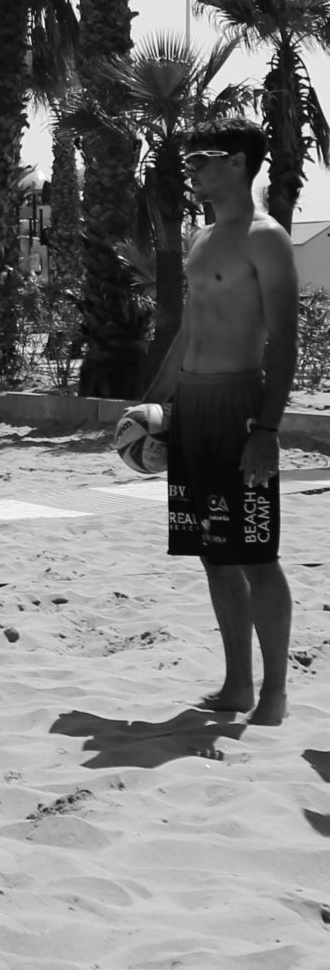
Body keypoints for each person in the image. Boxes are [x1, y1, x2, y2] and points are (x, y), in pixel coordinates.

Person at [129, 123, 296, 724]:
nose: (191, 170)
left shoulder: (267, 239)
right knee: (213, 553)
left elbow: (284, 341)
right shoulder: (202, 238)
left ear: (239, 162)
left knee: (256, 552)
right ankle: (237, 685)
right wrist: (153, 406)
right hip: (193, 410)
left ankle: (274, 693)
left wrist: (267, 430)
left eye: (202, 159)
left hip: (239, 407)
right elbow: (189, 332)